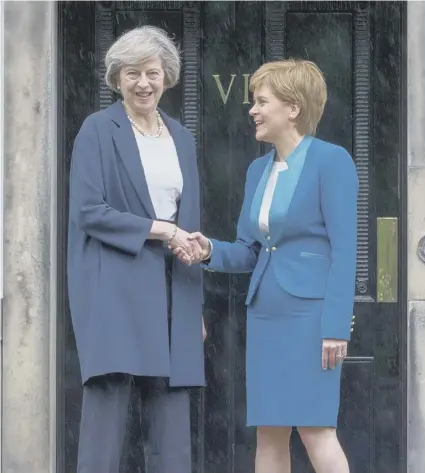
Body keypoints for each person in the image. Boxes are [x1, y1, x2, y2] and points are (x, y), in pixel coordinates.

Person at [174, 59, 358, 473]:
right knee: (269, 430)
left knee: (315, 428)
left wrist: (334, 326)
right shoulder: (257, 170)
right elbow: (250, 250)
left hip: (311, 318)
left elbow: (345, 251)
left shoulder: (333, 161)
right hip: (265, 314)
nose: (252, 110)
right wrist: (208, 251)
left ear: (292, 108)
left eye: (261, 102)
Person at [67, 26, 206, 473]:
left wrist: (193, 300)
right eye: (133, 73)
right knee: (106, 414)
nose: (144, 82)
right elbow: (89, 211)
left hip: (172, 284)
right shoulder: (97, 130)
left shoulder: (182, 138)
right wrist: (161, 231)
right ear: (117, 78)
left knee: (171, 420)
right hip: (115, 279)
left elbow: (189, 221)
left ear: (167, 75)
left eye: (152, 72)